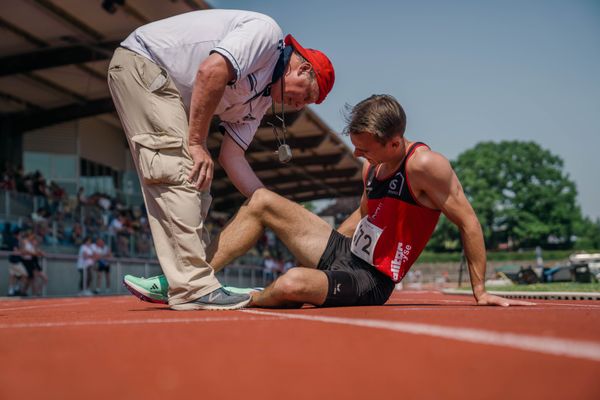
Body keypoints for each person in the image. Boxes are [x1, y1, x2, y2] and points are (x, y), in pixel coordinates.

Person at [124, 94, 533, 308]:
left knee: (290, 285)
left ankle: (241, 299)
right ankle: (187, 281)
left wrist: (480, 292)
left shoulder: (427, 166)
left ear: (394, 142)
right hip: (346, 254)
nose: (358, 155)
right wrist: (326, 250)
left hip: (372, 280)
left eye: (365, 148)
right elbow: (364, 214)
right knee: (263, 199)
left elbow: (469, 222)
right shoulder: (372, 167)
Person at [109, 9, 334, 310]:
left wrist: (270, 208)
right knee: (181, 169)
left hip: (166, 88)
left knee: (199, 182)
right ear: (303, 69)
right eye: (307, 96)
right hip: (144, 63)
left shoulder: (261, 101)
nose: (300, 106)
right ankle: (193, 286)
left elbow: (232, 156)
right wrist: (196, 142)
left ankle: (182, 279)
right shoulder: (266, 35)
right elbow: (210, 71)